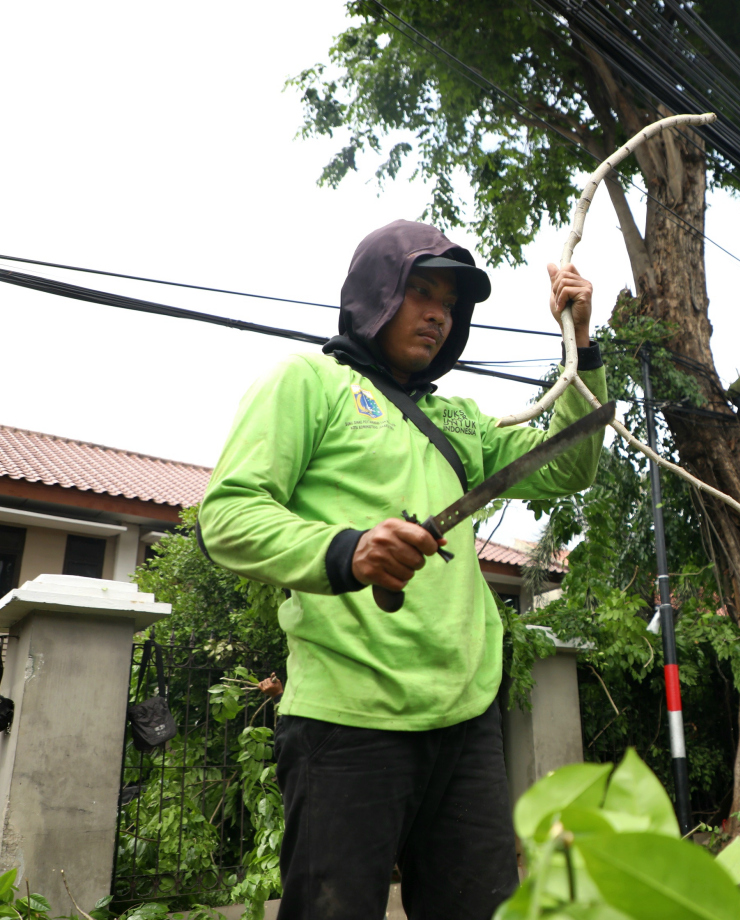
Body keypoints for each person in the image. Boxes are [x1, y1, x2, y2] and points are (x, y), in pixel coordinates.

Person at [198, 219, 608, 920]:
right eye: (420, 291)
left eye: (449, 303)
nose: (438, 314)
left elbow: (569, 464)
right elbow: (227, 518)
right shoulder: (307, 383)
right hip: (345, 723)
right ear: (375, 295)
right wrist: (347, 551)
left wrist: (582, 342)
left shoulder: (462, 422)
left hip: (466, 721)